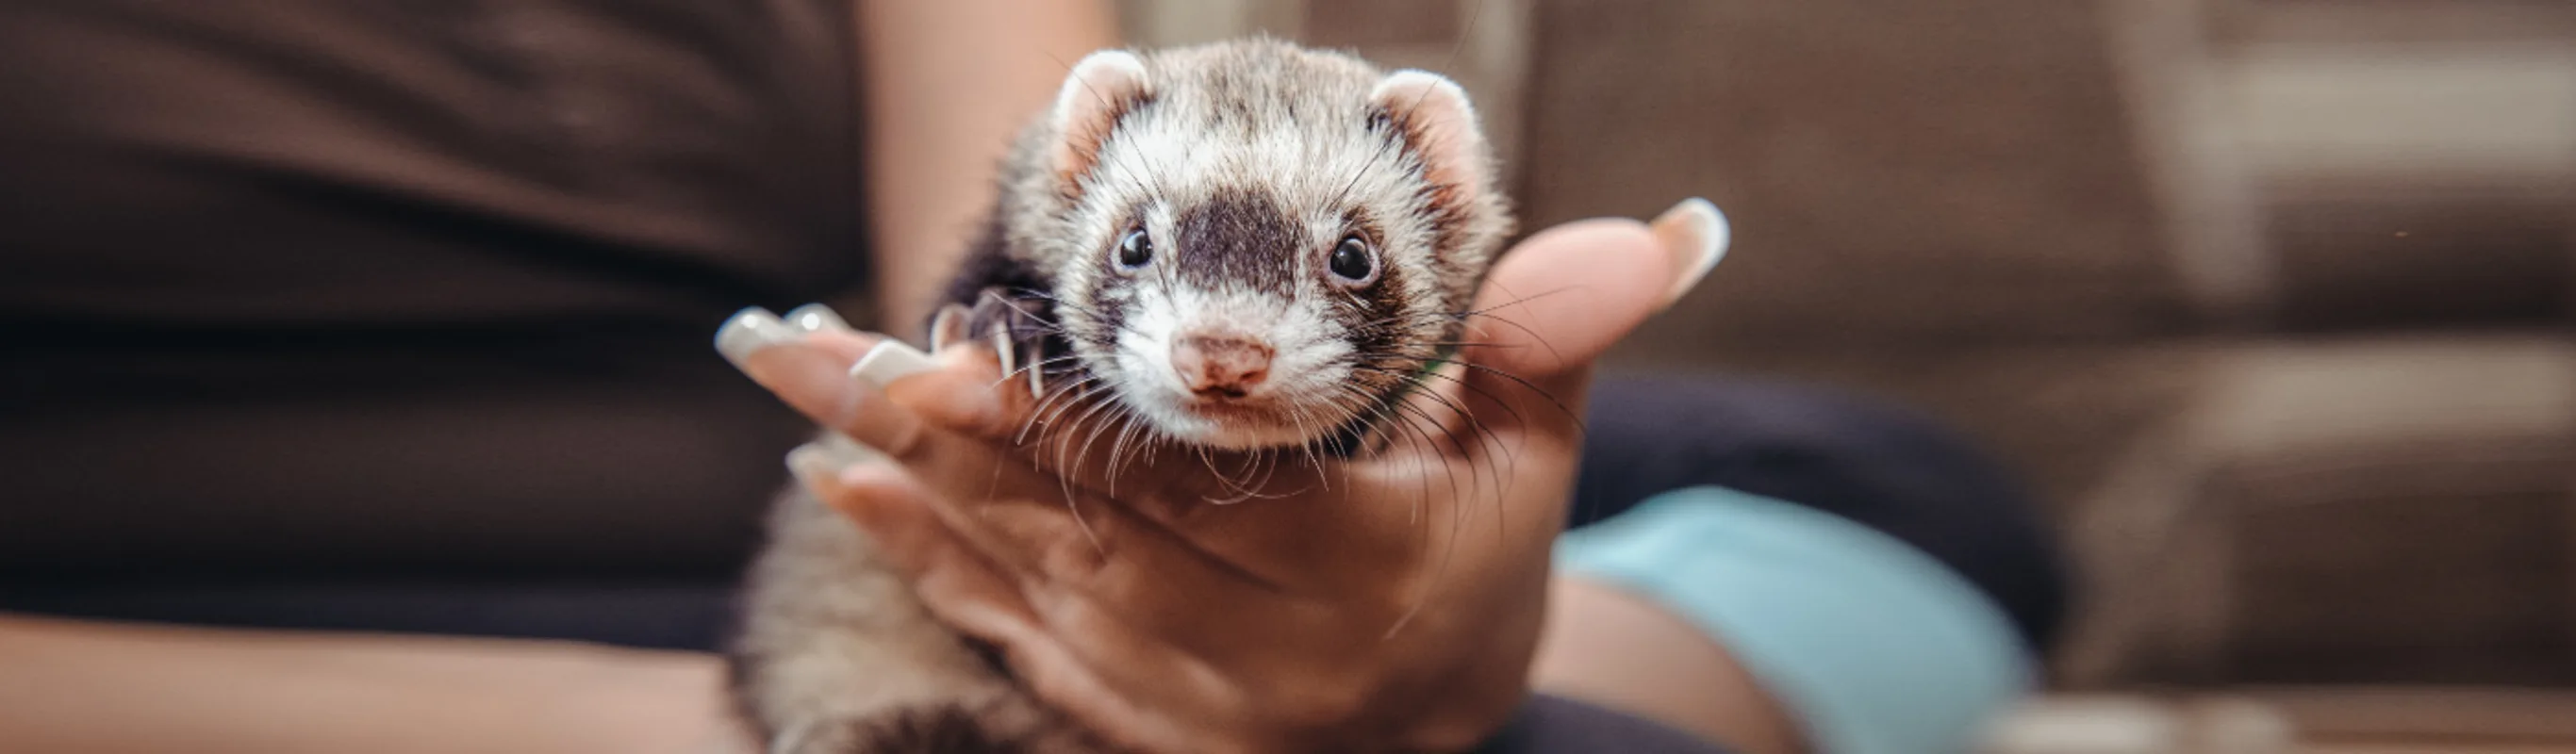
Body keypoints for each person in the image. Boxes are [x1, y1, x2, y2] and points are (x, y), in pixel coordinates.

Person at [0, 1, 2067, 752]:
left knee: (1887, 485)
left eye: (1347, 264)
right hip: (296, 624)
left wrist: (1387, 633)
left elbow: (1037, 168)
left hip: (947, 430)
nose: (1248, 323)